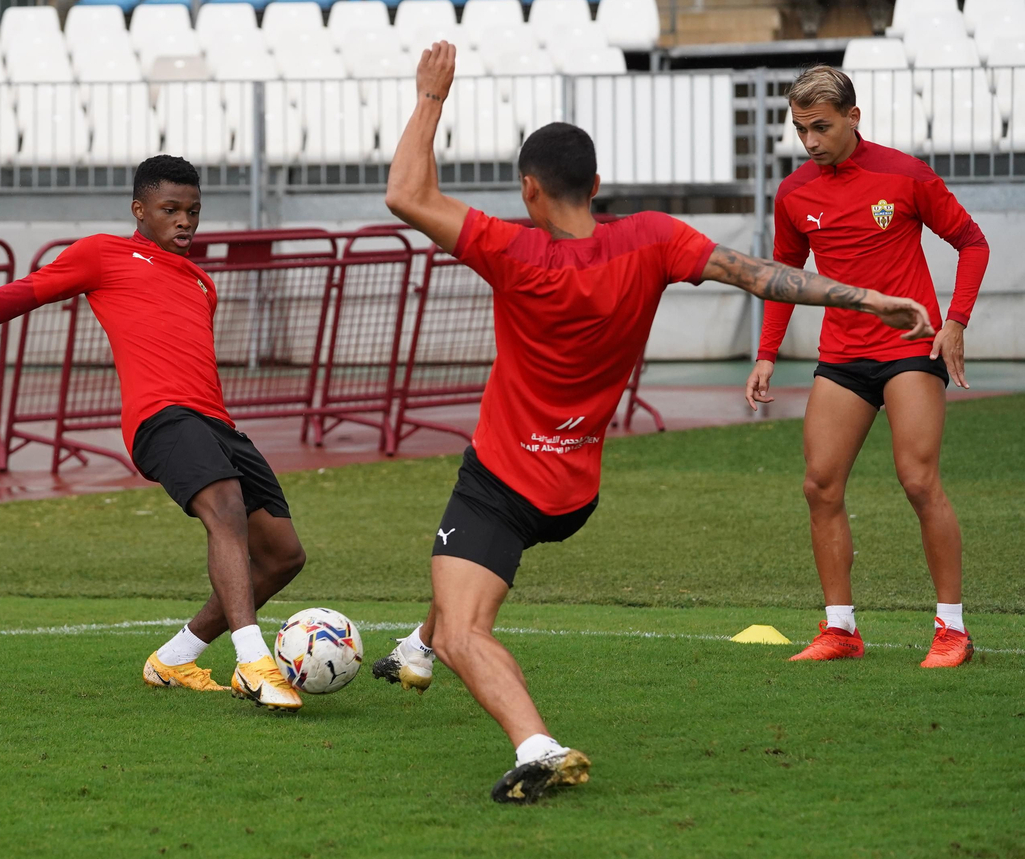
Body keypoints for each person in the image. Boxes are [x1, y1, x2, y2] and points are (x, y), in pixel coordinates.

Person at [375, 43, 935, 805]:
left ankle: (534, 743)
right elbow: (764, 275)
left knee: (471, 622)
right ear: (597, 185)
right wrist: (870, 299)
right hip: (574, 491)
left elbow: (405, 192)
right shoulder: (653, 240)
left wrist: (432, 97)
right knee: (455, 565)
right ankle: (418, 645)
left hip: (505, 478)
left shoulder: (513, 250)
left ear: (529, 190)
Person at [0, 155, 308, 710]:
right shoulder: (102, 254)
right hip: (160, 420)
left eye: (194, 211)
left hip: (216, 423)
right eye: (171, 210)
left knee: (282, 556)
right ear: (140, 210)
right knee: (224, 508)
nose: (185, 221)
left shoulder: (203, 283)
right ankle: (253, 662)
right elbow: (11, 298)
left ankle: (174, 659)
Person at [745, 66, 988, 669]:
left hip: (911, 347)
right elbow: (785, 280)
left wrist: (955, 320)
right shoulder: (794, 192)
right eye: (801, 129)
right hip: (842, 357)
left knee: (918, 481)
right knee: (819, 485)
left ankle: (952, 630)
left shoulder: (905, 174)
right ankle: (840, 629)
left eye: (821, 127)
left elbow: (973, 242)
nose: (810, 141)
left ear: (854, 118)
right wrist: (767, 353)